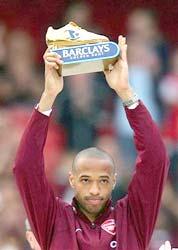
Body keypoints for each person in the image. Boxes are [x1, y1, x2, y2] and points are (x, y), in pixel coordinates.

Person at [13, 36, 169, 250]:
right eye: (85, 180)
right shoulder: (53, 219)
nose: (95, 189)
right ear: (72, 180)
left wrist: (125, 92)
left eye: (103, 180)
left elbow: (156, 159)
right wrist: (48, 96)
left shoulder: (132, 219)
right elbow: (25, 168)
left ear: (114, 181)